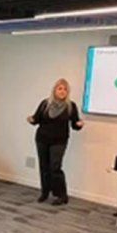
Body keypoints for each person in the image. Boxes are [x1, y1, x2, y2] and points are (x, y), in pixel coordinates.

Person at [27, 78, 84, 206]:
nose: (62, 91)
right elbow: (36, 119)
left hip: (59, 141)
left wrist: (79, 124)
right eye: (60, 88)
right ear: (54, 90)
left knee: (55, 167)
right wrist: (31, 119)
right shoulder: (45, 104)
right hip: (42, 139)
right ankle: (45, 193)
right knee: (44, 167)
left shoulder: (71, 106)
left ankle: (62, 195)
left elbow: (75, 124)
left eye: (65, 89)